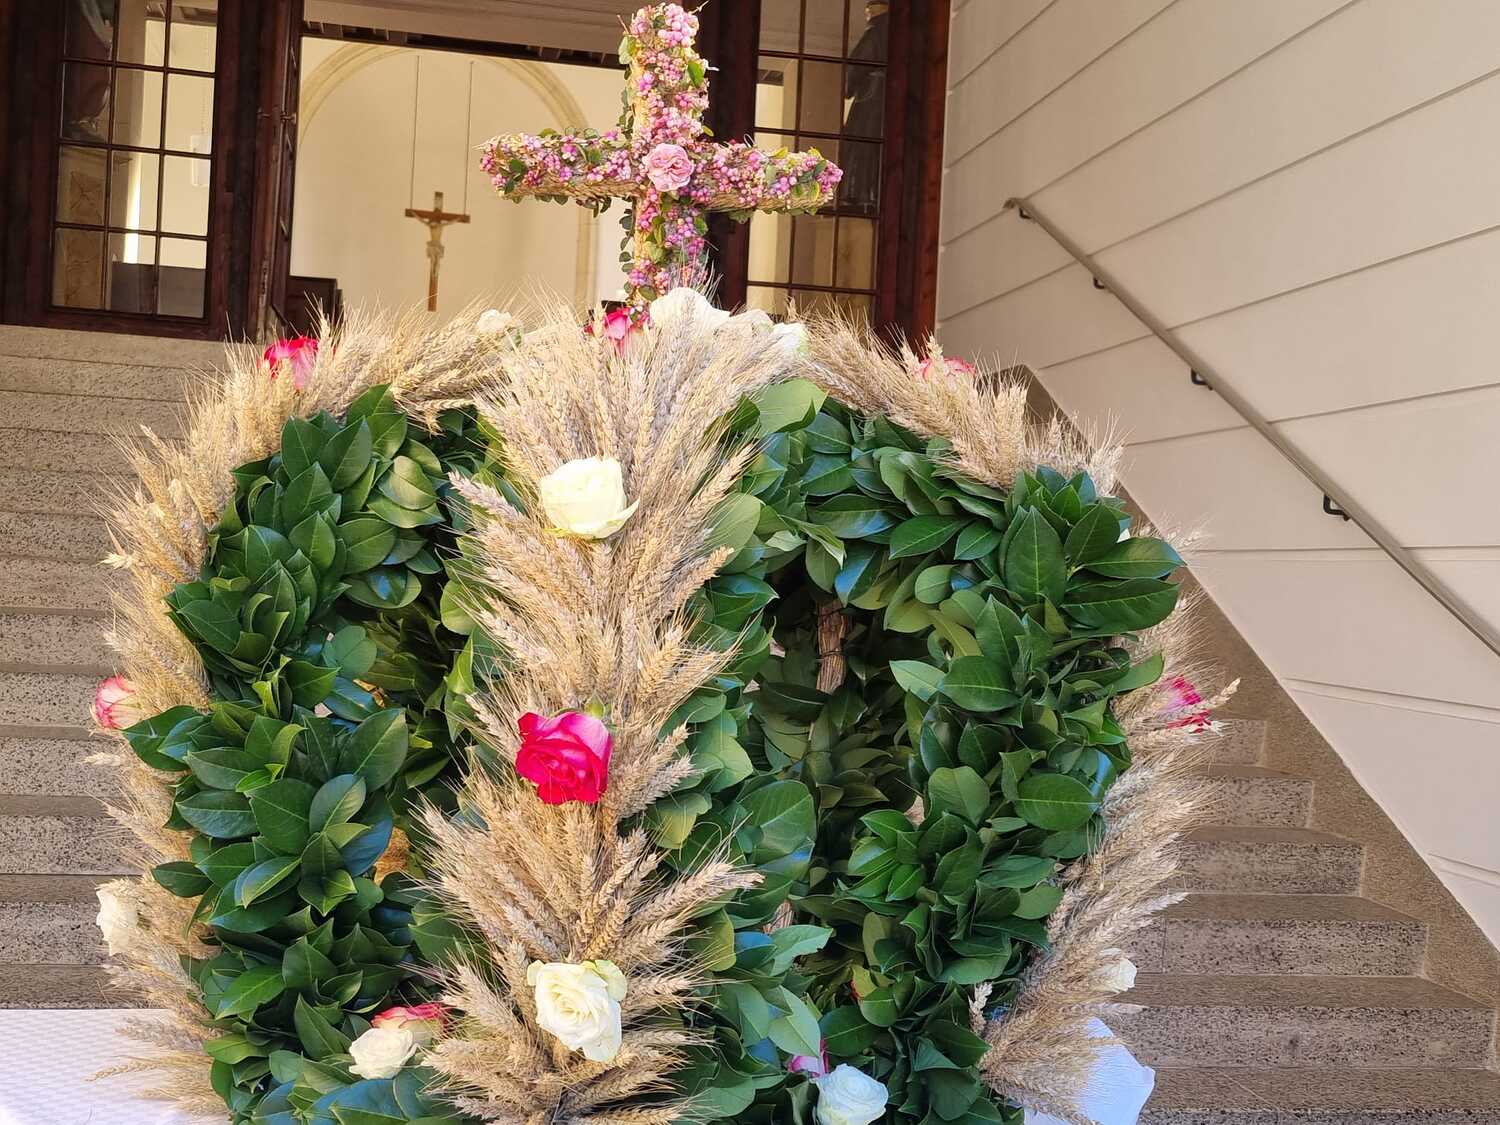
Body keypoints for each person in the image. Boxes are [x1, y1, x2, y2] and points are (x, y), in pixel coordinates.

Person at [840, 0, 889, 214]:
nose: (867, 14)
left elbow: (857, 65)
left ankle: (860, 193)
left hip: (871, 97)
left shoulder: (876, 31)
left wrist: (848, 87)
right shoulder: (896, 34)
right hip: (882, 97)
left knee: (861, 142)